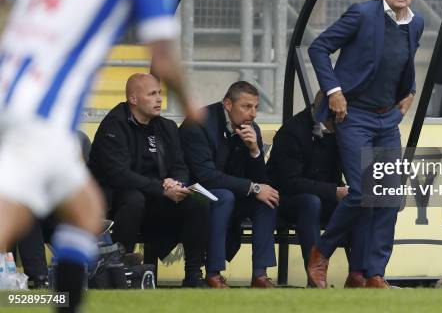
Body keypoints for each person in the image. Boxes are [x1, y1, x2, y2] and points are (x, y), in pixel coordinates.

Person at [0, 0, 200, 311]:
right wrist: (191, 102)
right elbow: (161, 58)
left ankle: (65, 303)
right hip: (40, 108)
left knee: (86, 210)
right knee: (13, 213)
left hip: (15, 90)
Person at [306, 0, 424, 289]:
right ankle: (321, 251)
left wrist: (410, 91)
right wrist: (334, 92)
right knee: (361, 192)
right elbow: (318, 48)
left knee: (387, 195)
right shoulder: (362, 14)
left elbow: (405, 60)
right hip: (353, 115)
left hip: (387, 118)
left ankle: (374, 273)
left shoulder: (416, 23)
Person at [88, 73, 209, 287]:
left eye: (160, 93)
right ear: (133, 99)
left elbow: (180, 165)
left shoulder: (167, 127)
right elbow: (119, 174)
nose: (159, 99)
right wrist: (161, 189)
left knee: (197, 201)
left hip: (156, 199)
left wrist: (176, 183)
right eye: (152, 94)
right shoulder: (113, 126)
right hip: (118, 201)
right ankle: (118, 267)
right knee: (134, 198)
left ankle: (193, 276)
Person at [179, 81, 278, 289]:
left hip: (232, 192)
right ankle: (213, 273)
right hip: (195, 193)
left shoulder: (252, 130)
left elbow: (261, 181)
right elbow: (205, 176)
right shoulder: (198, 123)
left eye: (256, 107)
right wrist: (253, 188)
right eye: (246, 106)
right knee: (225, 196)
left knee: (267, 199)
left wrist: (254, 151)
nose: (253, 114)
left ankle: (260, 275)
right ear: (227, 104)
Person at [266, 91, 366, 288]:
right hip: (286, 200)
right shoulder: (293, 131)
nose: (342, 120)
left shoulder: (343, 130)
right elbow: (290, 182)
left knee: (359, 202)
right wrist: (334, 191)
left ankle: (358, 274)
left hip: (325, 196)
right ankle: (314, 275)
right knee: (310, 202)